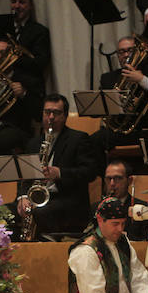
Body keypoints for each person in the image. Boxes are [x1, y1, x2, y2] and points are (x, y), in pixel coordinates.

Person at [16, 94, 102, 238]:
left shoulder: (79, 139)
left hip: (68, 200)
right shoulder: (33, 143)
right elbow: (24, 177)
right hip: (37, 199)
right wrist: (23, 197)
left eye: (56, 113)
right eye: (47, 112)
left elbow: (90, 172)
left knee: (39, 213)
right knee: (3, 211)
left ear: (65, 115)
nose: (50, 117)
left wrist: (60, 173)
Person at [67, 197, 148, 293]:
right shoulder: (86, 251)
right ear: (100, 220)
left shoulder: (123, 242)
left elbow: (138, 279)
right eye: (115, 224)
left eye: (123, 223)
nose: (120, 229)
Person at [90, 35, 148, 150]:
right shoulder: (108, 78)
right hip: (120, 131)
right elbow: (96, 111)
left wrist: (141, 80)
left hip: (147, 129)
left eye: (130, 50)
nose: (126, 55)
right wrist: (111, 100)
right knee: (93, 140)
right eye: (121, 52)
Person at [97, 160, 148, 241]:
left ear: (129, 180)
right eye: (108, 179)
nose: (112, 183)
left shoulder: (143, 209)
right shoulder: (97, 208)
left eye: (117, 178)